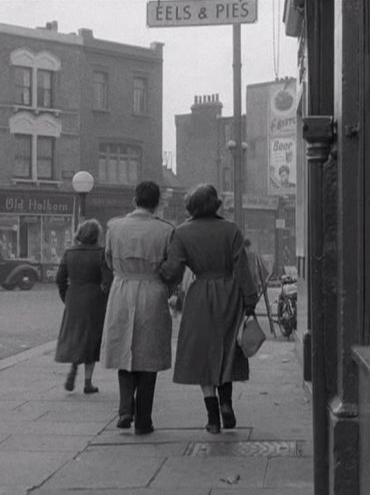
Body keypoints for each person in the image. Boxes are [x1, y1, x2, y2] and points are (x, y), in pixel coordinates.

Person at [161, 183, 258, 434]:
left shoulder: (181, 233)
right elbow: (242, 269)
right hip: (229, 294)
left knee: (203, 353)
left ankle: (212, 415)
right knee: (227, 349)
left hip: (200, 295)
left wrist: (157, 275)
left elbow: (172, 270)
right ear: (215, 204)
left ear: (191, 207)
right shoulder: (231, 229)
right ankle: (227, 403)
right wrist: (250, 300)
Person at [101, 181, 175, 435]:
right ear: (157, 203)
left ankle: (125, 409)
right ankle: (143, 418)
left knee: (125, 351)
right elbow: (172, 267)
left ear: (135, 200)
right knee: (148, 356)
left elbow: (109, 259)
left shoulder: (114, 227)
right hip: (153, 291)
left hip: (122, 290)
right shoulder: (166, 230)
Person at [55, 219, 112, 394]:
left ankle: (74, 365)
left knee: (75, 334)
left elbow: (59, 278)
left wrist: (67, 296)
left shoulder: (69, 252)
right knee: (91, 338)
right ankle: (88, 381)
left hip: (74, 297)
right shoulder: (101, 253)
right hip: (94, 299)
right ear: (97, 235)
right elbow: (108, 281)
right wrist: (103, 296)